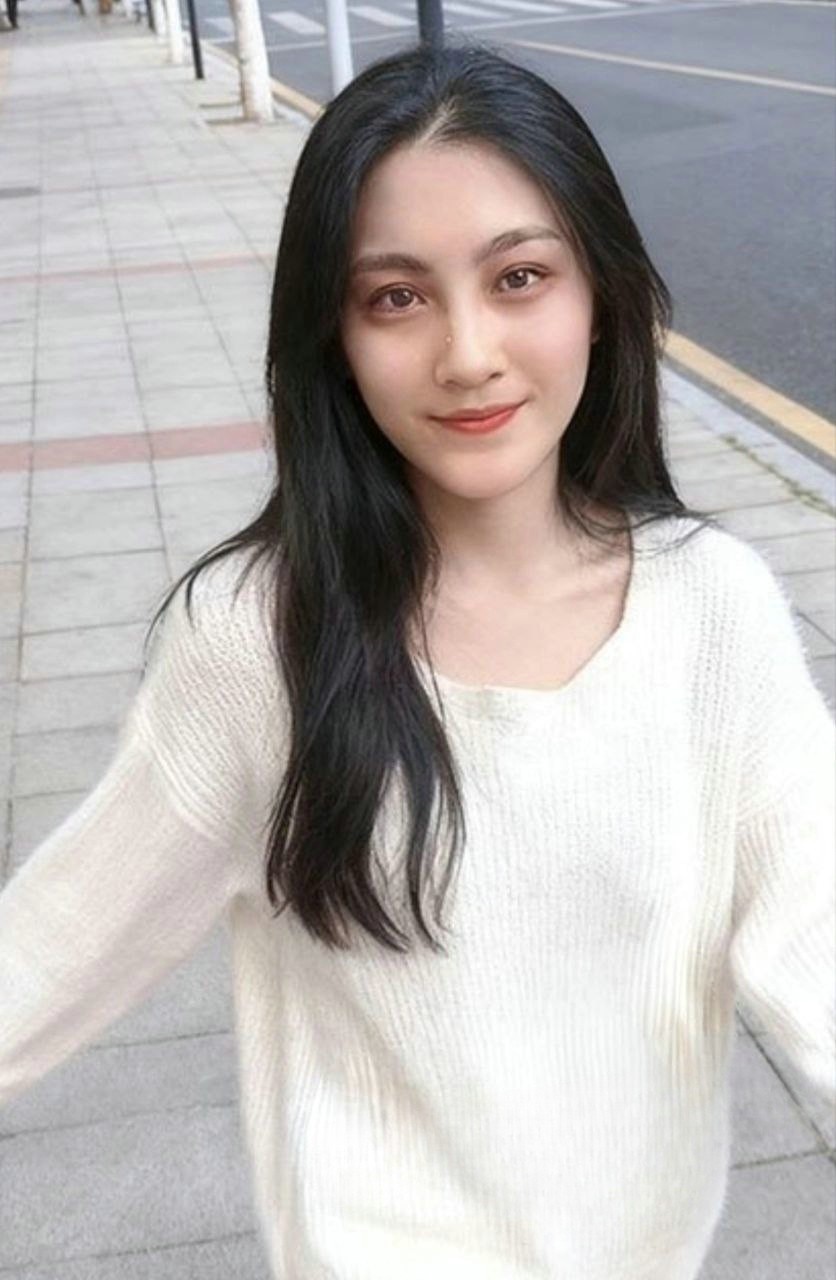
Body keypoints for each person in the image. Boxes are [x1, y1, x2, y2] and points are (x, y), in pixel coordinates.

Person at [0, 40, 833, 1280]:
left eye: (518, 277)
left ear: (597, 293)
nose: (467, 352)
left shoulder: (710, 611)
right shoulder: (258, 638)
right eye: (395, 297)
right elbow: (53, 945)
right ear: (331, 334)